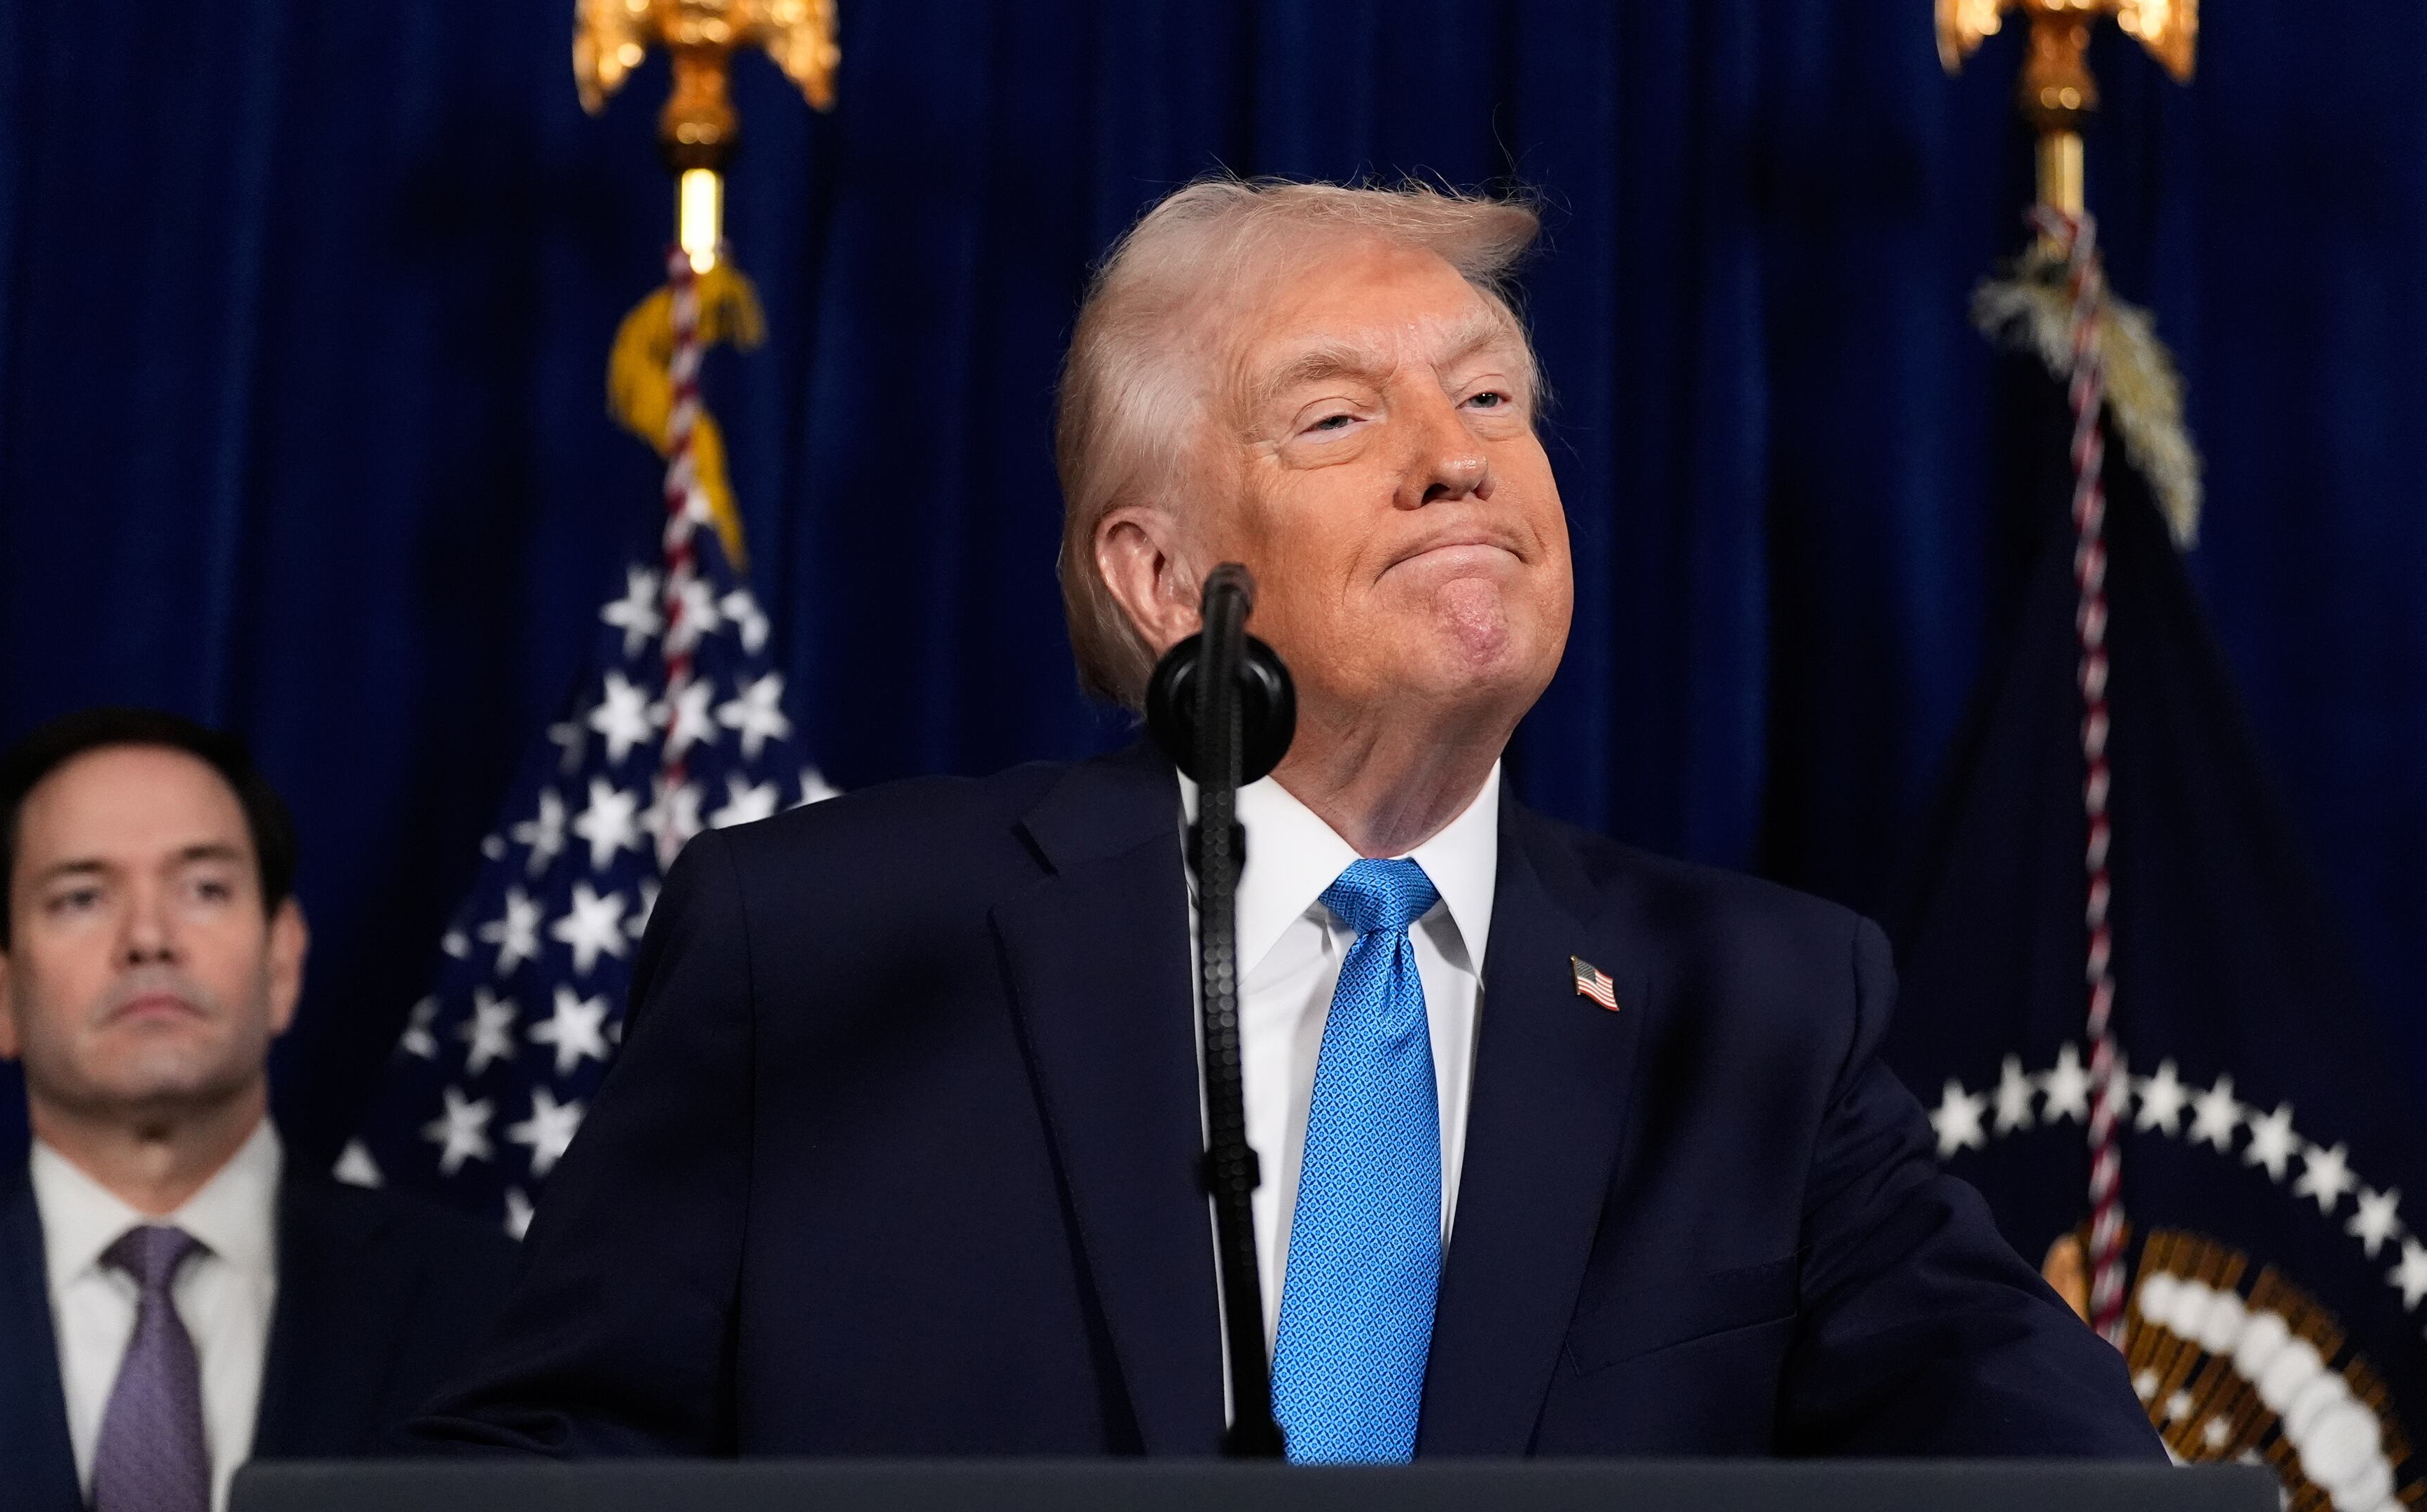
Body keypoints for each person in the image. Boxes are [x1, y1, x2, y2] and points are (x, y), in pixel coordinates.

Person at [414, 180, 2162, 1460]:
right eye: (1339, 414)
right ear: (1161, 575)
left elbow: (2068, 1475)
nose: (1455, 453)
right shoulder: (826, 947)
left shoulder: (1762, 1011)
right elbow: (547, 1462)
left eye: (1489, 397)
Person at [0, 708, 518, 1512]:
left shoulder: (494, 1314)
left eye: (204, 889)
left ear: (283, 960)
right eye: (81, 898)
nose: (149, 938)